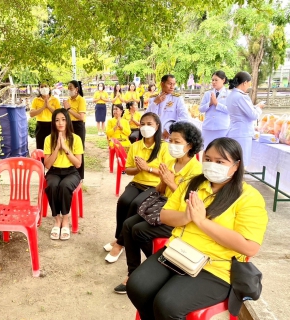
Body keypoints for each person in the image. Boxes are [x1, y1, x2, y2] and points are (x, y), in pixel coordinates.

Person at [126, 137, 268, 320]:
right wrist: (186, 216)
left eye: (220, 161)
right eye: (208, 159)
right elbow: (164, 215)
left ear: (236, 165)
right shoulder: (192, 184)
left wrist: (202, 222)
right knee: (137, 286)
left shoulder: (248, 197)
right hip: (178, 252)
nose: (211, 165)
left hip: (217, 266)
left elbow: (250, 247)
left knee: (167, 304)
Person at [115, 121, 203, 294]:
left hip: (180, 216)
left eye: (177, 142)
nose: (172, 145)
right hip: (163, 207)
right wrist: (163, 181)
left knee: (139, 231)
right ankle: (133, 273)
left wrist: (171, 182)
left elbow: (191, 202)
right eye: (171, 140)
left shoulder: (196, 170)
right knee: (128, 225)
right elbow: (161, 191)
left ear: (190, 145)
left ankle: (159, 268)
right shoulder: (171, 161)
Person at [104, 112, 173, 263]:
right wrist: (138, 169)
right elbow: (127, 170)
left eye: (149, 124)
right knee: (124, 201)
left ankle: (120, 244)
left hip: (155, 187)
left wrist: (148, 168)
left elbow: (168, 173)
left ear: (157, 126)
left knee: (136, 204)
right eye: (143, 124)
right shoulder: (135, 145)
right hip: (137, 183)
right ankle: (119, 238)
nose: (145, 127)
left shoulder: (164, 148)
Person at [44, 109, 83, 241]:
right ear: (53, 122)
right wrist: (57, 147)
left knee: (65, 186)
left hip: (71, 171)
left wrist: (66, 148)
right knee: (53, 185)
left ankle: (65, 220)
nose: (60, 123)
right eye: (57, 120)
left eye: (63, 119)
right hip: (54, 171)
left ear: (67, 121)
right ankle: (57, 220)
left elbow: (78, 164)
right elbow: (47, 165)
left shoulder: (76, 139)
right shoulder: (49, 139)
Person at [226, 71, 264, 167]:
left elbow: (243, 111)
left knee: (233, 161)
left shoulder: (231, 95)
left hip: (234, 130)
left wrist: (255, 107)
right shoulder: (241, 97)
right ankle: (239, 182)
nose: (249, 86)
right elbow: (253, 115)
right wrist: (259, 108)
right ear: (245, 82)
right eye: (249, 83)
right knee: (242, 163)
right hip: (242, 133)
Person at [146, 74, 190, 140]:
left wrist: (170, 129)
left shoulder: (177, 98)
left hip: (169, 136)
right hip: (153, 135)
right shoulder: (153, 98)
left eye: (174, 84)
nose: (172, 87)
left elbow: (184, 117)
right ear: (162, 84)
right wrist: (155, 103)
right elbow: (146, 116)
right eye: (169, 84)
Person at [198, 71, 230, 148]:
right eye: (212, 80)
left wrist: (216, 104)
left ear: (223, 80)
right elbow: (201, 109)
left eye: (216, 80)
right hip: (208, 127)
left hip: (222, 128)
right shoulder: (207, 94)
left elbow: (230, 110)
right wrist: (210, 103)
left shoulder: (228, 94)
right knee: (207, 149)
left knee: (221, 151)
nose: (214, 82)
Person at [63, 80, 86, 179]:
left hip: (78, 126)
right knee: (69, 149)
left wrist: (69, 109)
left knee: (78, 150)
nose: (69, 90)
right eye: (68, 88)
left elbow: (81, 117)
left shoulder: (81, 100)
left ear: (76, 89)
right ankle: (71, 174)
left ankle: (80, 176)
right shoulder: (68, 100)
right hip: (69, 125)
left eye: (71, 88)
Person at [30, 83, 61, 150]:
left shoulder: (55, 99)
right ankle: (41, 160)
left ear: (49, 88)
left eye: (46, 86)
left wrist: (49, 106)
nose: (44, 88)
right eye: (42, 87)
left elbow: (59, 114)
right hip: (40, 126)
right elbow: (31, 114)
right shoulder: (36, 100)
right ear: (39, 89)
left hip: (52, 125)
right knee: (40, 147)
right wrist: (43, 107)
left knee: (52, 147)